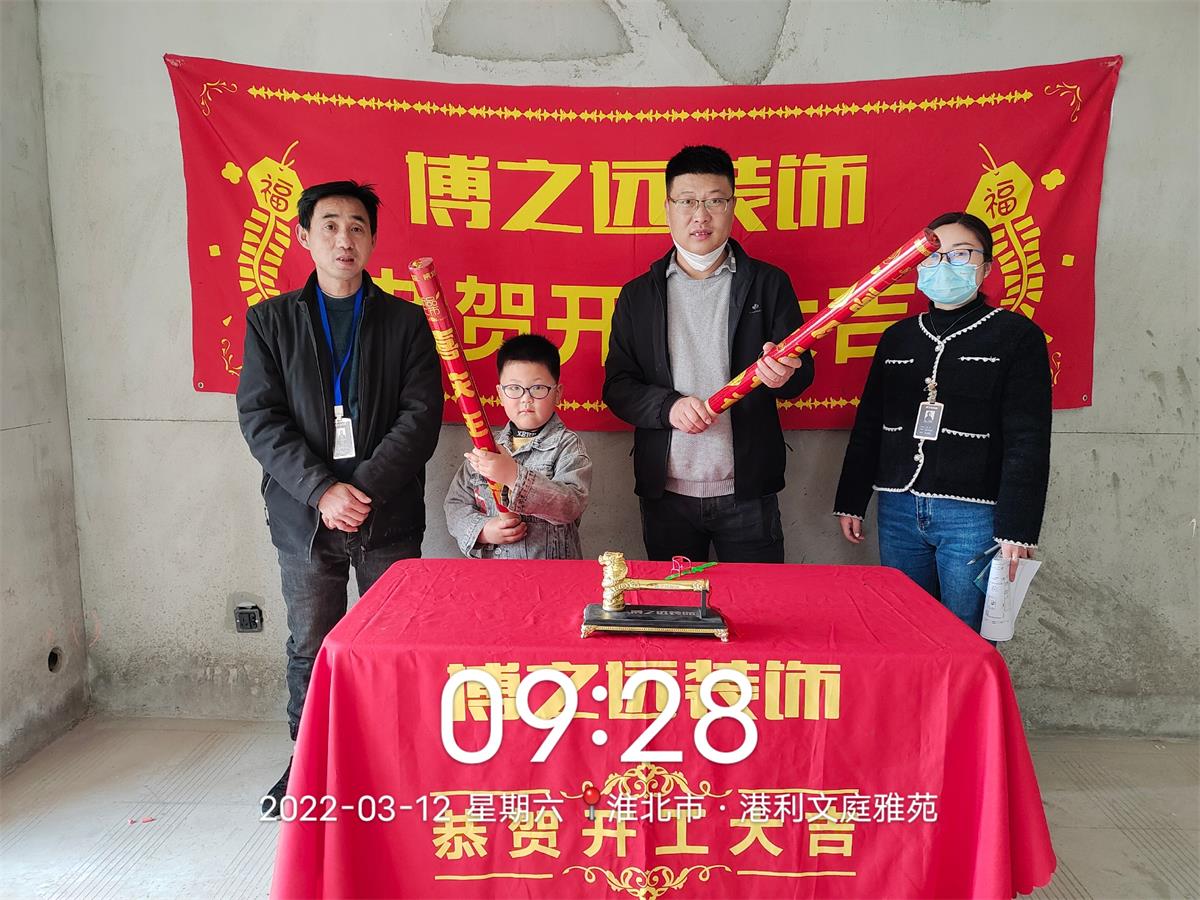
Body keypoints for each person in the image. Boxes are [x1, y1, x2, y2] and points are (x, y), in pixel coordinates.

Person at [236, 181, 442, 815]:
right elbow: (261, 419)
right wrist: (323, 490)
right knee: (311, 645)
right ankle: (307, 767)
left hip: (388, 513)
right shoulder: (270, 321)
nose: (343, 238)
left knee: (391, 648)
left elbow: (421, 418)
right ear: (305, 236)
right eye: (329, 225)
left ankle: (390, 767)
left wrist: (363, 490)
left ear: (373, 240)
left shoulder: (407, 321)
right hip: (303, 517)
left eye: (357, 226)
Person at [833, 211, 1052, 633]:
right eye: (933, 255)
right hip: (898, 507)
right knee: (903, 629)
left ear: (986, 267)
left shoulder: (1016, 336)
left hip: (973, 515)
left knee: (965, 634)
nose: (944, 264)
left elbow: (1028, 439)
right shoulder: (898, 337)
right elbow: (870, 424)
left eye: (961, 254)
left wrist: (1017, 530)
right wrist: (851, 500)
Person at [603, 144, 814, 563]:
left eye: (715, 201)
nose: (701, 216)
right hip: (667, 492)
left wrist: (786, 374)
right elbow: (618, 387)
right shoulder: (638, 296)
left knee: (760, 598)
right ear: (668, 208)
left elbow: (802, 372)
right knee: (674, 600)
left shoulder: (769, 284)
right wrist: (668, 407)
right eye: (687, 201)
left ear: (732, 207)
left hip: (748, 490)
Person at [444, 334, 591, 558]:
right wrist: (483, 530)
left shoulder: (567, 446)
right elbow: (455, 504)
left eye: (538, 388)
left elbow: (570, 505)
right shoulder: (486, 447)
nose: (526, 399)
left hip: (551, 572)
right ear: (500, 394)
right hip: (496, 574)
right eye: (514, 388)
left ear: (558, 393)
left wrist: (514, 476)